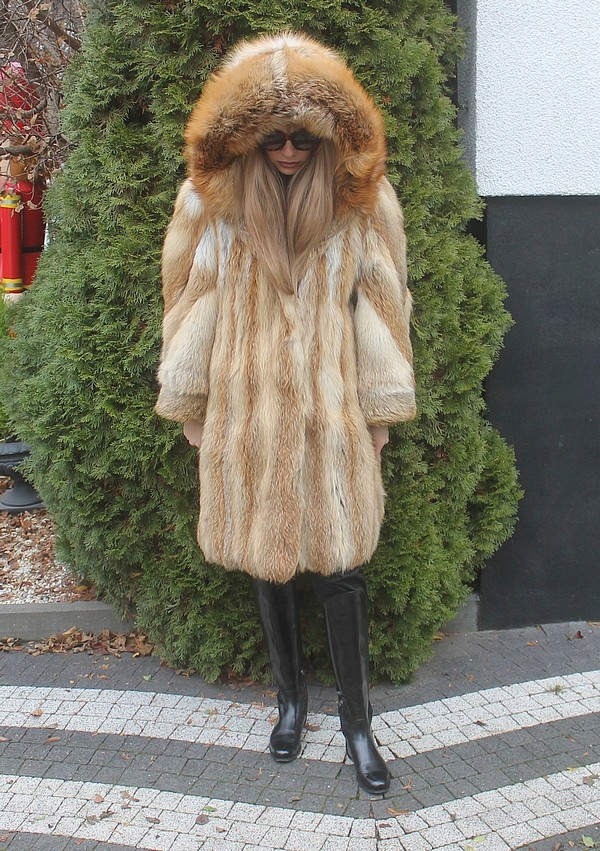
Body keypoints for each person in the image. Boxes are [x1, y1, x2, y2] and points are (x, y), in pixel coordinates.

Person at [155, 32, 416, 795]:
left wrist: (379, 409)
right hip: (246, 411)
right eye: (275, 138)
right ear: (249, 139)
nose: (291, 151)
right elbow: (191, 300)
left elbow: (382, 307)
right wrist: (192, 402)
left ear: (330, 138)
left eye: (305, 137)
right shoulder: (215, 206)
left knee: (343, 571)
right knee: (265, 564)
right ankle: (291, 704)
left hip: (331, 412)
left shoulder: (359, 205)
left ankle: (358, 724)